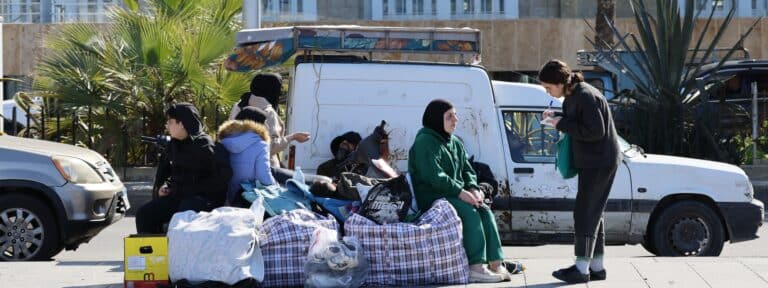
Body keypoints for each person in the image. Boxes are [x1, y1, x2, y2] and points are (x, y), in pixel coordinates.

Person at [408, 99, 523, 283]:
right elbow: (434, 176)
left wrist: (473, 188)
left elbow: (467, 169)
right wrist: (461, 193)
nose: (456, 120)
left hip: (454, 193)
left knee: (484, 210)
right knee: (469, 212)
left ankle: (495, 262)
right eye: (449, 117)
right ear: (437, 119)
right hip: (433, 196)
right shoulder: (425, 142)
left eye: (455, 115)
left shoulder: (454, 141)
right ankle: (475, 267)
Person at [539, 59, 620, 283]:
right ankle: (596, 267)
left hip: (599, 161)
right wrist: (557, 119)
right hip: (594, 161)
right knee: (593, 212)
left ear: (560, 82)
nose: (548, 92)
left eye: (549, 87)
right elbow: (579, 122)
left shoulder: (584, 96)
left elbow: (595, 132)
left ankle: (581, 268)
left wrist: (560, 124)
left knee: (584, 212)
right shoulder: (574, 95)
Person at [136, 103, 232, 234]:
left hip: (202, 199)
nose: (167, 125)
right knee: (145, 214)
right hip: (178, 196)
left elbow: (223, 178)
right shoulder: (173, 145)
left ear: (182, 124)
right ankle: (154, 253)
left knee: (183, 215)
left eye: (170, 122)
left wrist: (194, 190)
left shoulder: (205, 146)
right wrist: (165, 185)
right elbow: (170, 173)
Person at [229, 73, 310, 167]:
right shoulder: (268, 112)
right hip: (263, 167)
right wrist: (293, 137)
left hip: (237, 165)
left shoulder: (239, 105)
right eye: (279, 89)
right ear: (272, 90)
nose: (280, 93)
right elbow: (270, 147)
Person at [218, 106, 276, 207]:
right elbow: (263, 177)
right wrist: (277, 189)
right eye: (265, 122)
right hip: (248, 199)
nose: (267, 126)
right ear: (257, 124)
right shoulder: (260, 144)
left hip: (225, 199)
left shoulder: (223, 142)